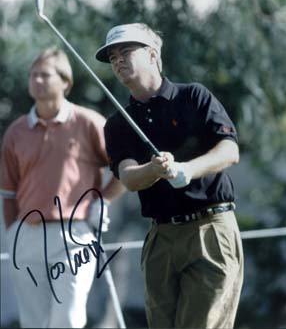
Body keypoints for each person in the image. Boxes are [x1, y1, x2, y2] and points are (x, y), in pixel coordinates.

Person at [95, 23, 244, 329]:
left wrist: (187, 169)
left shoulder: (194, 97)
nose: (118, 61)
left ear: (152, 54)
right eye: (112, 58)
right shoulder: (117, 124)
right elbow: (129, 178)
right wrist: (154, 169)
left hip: (210, 229)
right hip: (161, 237)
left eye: (126, 52)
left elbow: (229, 151)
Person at [0, 47, 125, 328]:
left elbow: (123, 170)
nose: (37, 80)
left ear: (65, 82)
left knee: (67, 319)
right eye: (33, 75)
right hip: (26, 236)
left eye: (45, 75)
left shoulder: (88, 122)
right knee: (34, 322)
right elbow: (7, 193)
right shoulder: (17, 131)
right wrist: (12, 234)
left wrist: (102, 201)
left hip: (74, 236)